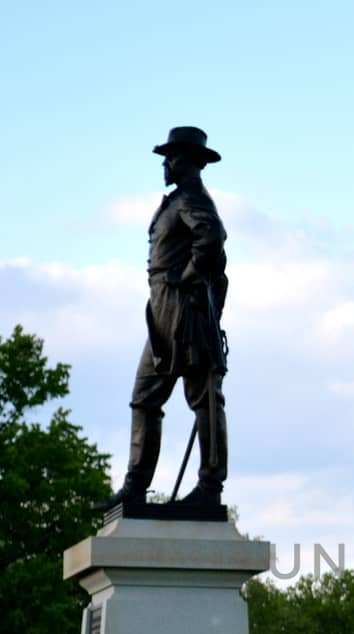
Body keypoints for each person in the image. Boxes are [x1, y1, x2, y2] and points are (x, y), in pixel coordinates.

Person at [97, 126, 229, 512]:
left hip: (183, 310)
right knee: (144, 398)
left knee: (203, 398)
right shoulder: (174, 202)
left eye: (171, 158)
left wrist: (188, 277)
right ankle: (135, 485)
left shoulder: (193, 199)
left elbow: (213, 238)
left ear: (188, 161)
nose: (165, 165)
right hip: (161, 310)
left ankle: (210, 486)